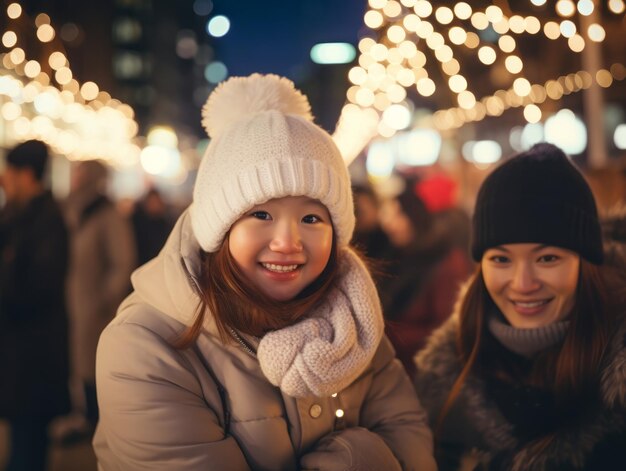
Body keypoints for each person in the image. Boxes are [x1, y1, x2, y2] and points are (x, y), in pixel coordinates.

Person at [93, 73, 436, 470]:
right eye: (261, 214)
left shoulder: (354, 320)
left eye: (311, 217)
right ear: (220, 228)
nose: (287, 241)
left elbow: (409, 434)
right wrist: (359, 459)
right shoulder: (143, 348)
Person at [414, 143, 626, 470]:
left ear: (586, 264)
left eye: (547, 258)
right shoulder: (446, 379)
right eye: (501, 259)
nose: (523, 283)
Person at [0, 140, 71, 470]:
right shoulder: (17, 214)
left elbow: (38, 288)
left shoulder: (45, 219)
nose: (4, 180)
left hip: (34, 355)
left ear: (27, 174)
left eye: (9, 173)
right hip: (20, 354)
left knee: (27, 446)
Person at [57, 159, 135, 442]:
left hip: (95, 307)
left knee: (93, 363)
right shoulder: (71, 209)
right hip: (70, 301)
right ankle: (82, 414)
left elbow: (123, 261)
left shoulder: (107, 214)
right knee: (77, 362)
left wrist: (106, 297)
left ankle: (98, 421)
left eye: (82, 174)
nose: (76, 179)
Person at [379, 175, 473, 378]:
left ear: (415, 216)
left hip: (423, 376)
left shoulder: (446, 262)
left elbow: (447, 329)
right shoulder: (403, 255)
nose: (389, 223)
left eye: (398, 215)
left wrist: (386, 337)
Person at [131, 187, 173, 266]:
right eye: (152, 202)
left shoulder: (165, 224)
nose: (154, 205)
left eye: (156, 202)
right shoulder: (138, 223)